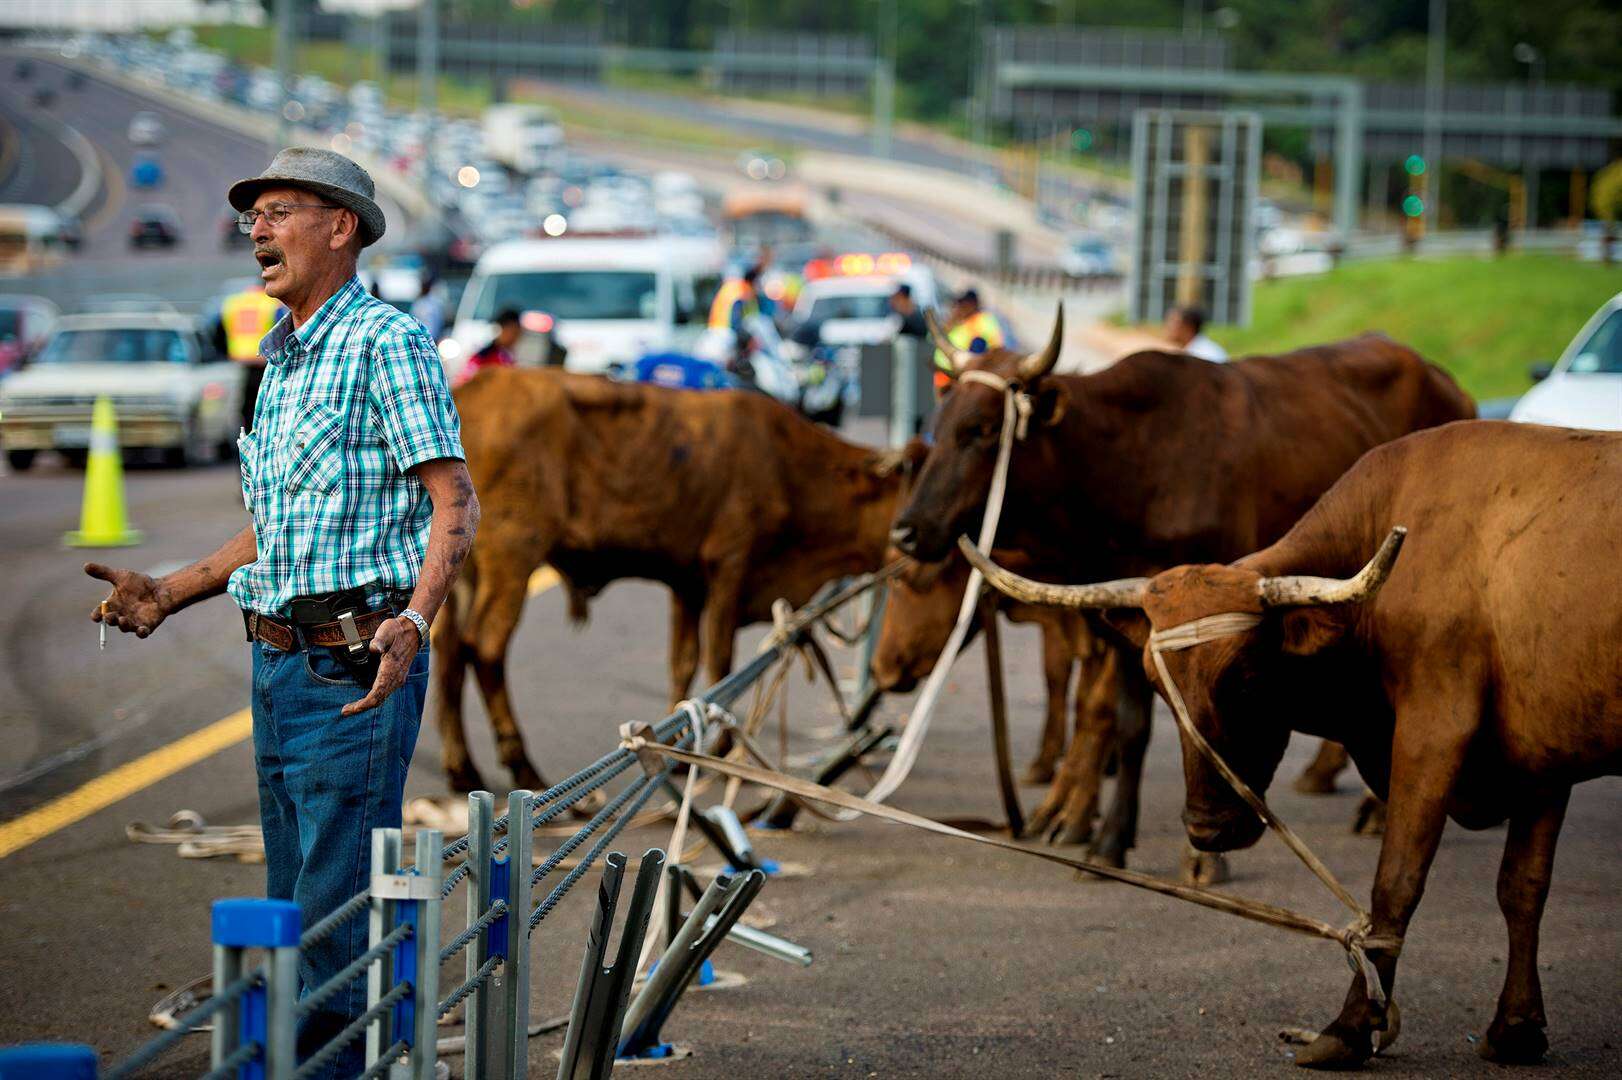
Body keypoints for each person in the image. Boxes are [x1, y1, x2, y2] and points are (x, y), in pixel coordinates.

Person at [85, 147, 477, 1080]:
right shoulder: (284, 357)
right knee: (294, 903)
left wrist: (416, 620)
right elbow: (277, 531)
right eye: (253, 216)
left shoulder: (388, 342)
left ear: (340, 228)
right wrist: (170, 593)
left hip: (352, 665)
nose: (256, 230)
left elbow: (455, 501)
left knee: (333, 918)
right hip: (276, 667)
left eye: (280, 212)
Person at [218, 280, 285, 433]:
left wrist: (226, 352)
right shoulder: (271, 304)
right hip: (264, 363)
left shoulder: (233, 303)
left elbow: (217, 331)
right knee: (263, 407)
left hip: (237, 362)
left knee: (242, 410)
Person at [932, 287, 1005, 394]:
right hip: (944, 377)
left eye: (964, 304)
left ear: (973, 304)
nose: (960, 308)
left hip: (960, 378)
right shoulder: (959, 321)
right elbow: (932, 338)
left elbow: (991, 347)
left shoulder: (982, 320)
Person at [461, 308, 522, 383]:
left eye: (518, 333)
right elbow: (465, 382)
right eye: (514, 332)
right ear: (503, 329)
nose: (516, 337)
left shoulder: (508, 356)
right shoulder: (483, 356)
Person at [1163, 304, 1228, 362]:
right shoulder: (1192, 351)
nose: (1167, 326)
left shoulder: (1205, 355)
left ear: (1189, 326)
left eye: (1173, 321)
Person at [410, 275, 446, 341]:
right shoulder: (418, 302)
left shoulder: (434, 303)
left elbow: (439, 321)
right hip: (420, 338)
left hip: (433, 338)